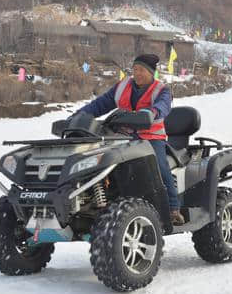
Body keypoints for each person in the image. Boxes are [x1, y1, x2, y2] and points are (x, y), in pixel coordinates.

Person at [76, 54, 184, 225]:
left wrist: (151, 113)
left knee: (160, 167)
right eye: (135, 70)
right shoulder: (123, 86)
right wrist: (80, 115)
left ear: (151, 72)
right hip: (122, 136)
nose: (137, 74)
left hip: (151, 137)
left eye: (141, 70)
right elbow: (100, 104)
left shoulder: (161, 89)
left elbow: (163, 105)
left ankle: (173, 208)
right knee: (98, 160)